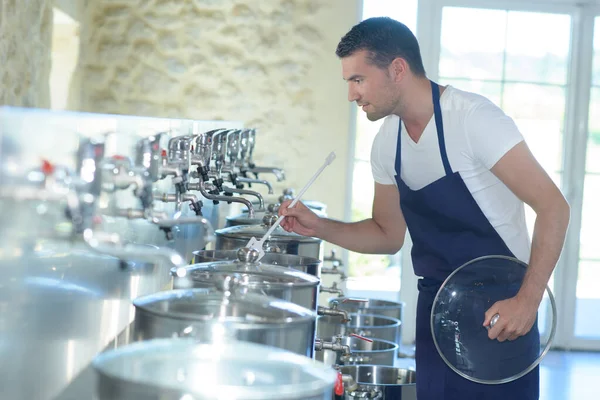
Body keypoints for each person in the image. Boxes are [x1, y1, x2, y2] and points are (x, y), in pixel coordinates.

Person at [279, 17, 570, 399]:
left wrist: (528, 301)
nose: (351, 94)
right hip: (436, 315)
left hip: (501, 314)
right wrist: (319, 225)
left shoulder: (473, 120)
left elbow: (553, 207)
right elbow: (386, 235)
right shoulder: (387, 144)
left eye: (358, 80)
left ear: (397, 69)